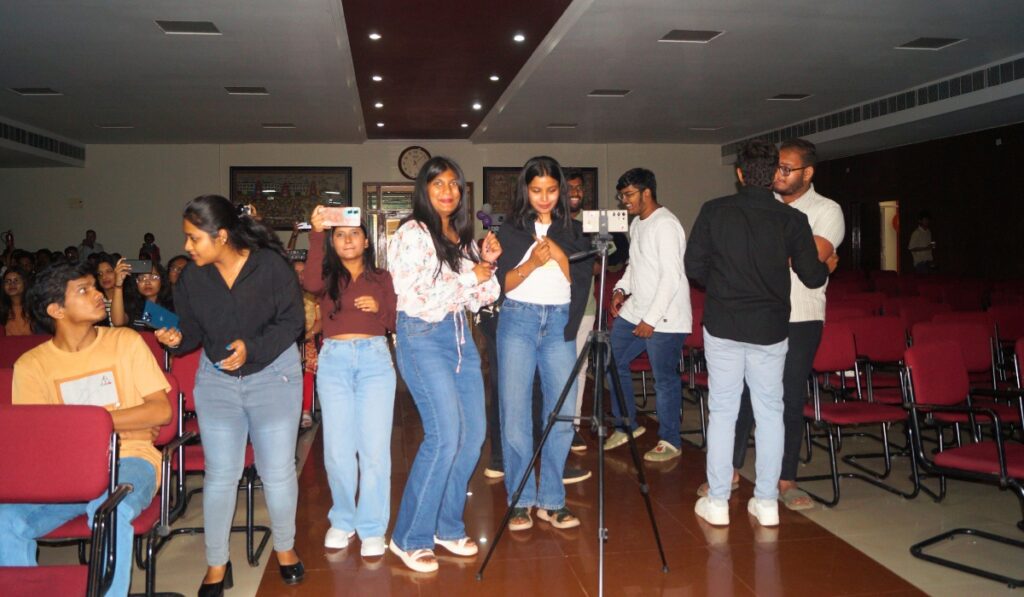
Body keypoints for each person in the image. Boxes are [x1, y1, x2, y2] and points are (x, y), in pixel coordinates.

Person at [154, 195, 306, 593]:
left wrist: (251, 349)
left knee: (276, 471)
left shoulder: (269, 266)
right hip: (217, 381)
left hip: (273, 375)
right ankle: (217, 563)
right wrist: (176, 339)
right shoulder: (192, 278)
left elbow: (293, 322)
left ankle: (285, 548)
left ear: (221, 236)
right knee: (220, 475)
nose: (186, 246)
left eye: (194, 238)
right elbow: (191, 331)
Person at [685, 139, 836, 528]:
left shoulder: (714, 211)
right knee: (771, 411)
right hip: (770, 328)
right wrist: (828, 265)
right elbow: (812, 276)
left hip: (724, 323)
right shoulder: (792, 220)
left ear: (739, 174)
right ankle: (767, 502)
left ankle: (718, 501)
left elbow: (694, 267)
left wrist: (724, 285)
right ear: (773, 175)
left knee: (723, 410)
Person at [0, 261, 172, 597]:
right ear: (56, 310)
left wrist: (84, 425)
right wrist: (113, 423)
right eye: (84, 290)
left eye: (95, 287)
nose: (97, 295)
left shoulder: (125, 341)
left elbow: (160, 410)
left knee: (109, 509)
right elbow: (42, 439)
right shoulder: (32, 365)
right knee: (5, 520)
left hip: (129, 458)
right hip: (65, 472)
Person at [386, 156, 501, 573]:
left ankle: (447, 526)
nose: (448, 191)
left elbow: (483, 297)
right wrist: (471, 277)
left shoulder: (461, 238)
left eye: (454, 184)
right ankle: (408, 537)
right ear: (424, 190)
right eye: (438, 184)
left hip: (459, 338)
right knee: (444, 436)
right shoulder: (412, 233)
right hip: (421, 336)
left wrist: (487, 264)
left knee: (472, 436)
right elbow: (414, 296)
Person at [722, 138, 845, 511]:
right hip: (760, 312)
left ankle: (785, 478)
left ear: (808, 173)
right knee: (743, 393)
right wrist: (794, 253)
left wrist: (766, 252)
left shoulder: (827, 210)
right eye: (776, 166)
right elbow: (796, 256)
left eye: (787, 169)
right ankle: (728, 471)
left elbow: (811, 255)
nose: (778, 174)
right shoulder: (764, 205)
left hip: (801, 318)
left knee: (789, 397)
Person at [495, 156, 593, 532]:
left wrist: (557, 251)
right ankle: (520, 499)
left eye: (551, 190)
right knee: (515, 415)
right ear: (526, 190)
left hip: (558, 324)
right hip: (517, 320)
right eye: (537, 190)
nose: (545, 197)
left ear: (561, 190)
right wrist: (534, 262)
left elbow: (579, 279)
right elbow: (502, 284)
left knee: (562, 413)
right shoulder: (511, 230)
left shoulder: (574, 231)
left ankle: (552, 500)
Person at [303, 207, 397, 557]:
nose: (347, 240)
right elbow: (309, 284)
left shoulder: (381, 278)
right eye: (340, 235)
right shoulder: (327, 276)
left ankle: (372, 526)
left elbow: (396, 321)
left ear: (366, 241)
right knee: (338, 449)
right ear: (333, 242)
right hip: (335, 361)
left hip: (375, 360)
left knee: (374, 449)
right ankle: (343, 520)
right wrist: (316, 233)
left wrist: (378, 308)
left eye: (354, 234)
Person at [605, 168, 691, 462]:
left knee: (663, 378)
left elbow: (671, 277)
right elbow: (635, 265)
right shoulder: (637, 224)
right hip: (637, 309)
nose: (624, 201)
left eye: (629, 195)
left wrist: (650, 320)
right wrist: (620, 289)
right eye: (621, 196)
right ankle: (626, 425)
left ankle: (670, 440)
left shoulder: (665, 224)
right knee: (611, 360)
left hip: (665, 316)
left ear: (647, 192)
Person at [291, 255, 320, 429]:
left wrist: (307, 335)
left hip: (307, 338)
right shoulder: (284, 293)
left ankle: (306, 410)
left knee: (308, 359)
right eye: (296, 272)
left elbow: (320, 321)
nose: (300, 276)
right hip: (286, 340)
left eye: (303, 272)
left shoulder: (314, 295)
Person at [122, 262, 174, 329]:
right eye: (142, 278)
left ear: (162, 280)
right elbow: (118, 323)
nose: (147, 282)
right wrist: (118, 286)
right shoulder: (133, 304)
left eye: (153, 277)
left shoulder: (173, 304)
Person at [94, 253, 128, 326]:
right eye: (100, 274)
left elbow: (119, 323)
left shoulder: (128, 299)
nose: (104, 277)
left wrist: (118, 285)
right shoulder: (96, 301)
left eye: (109, 271)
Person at [1, 266, 32, 335]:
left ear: (25, 283)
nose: (12, 284)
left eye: (16, 280)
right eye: (7, 281)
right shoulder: (2, 309)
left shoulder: (34, 307)